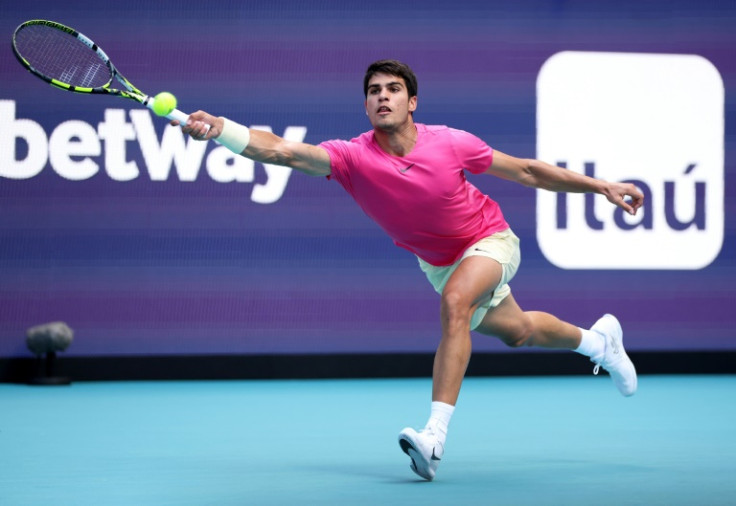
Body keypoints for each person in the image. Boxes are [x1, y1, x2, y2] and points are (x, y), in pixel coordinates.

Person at [178, 59, 643, 481]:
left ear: (411, 101)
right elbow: (280, 150)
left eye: (394, 89)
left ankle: (434, 436)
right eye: (375, 90)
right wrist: (221, 128)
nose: (383, 96)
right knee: (518, 332)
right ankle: (600, 342)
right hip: (440, 263)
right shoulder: (351, 157)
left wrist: (601, 186)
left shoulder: (452, 143)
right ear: (365, 107)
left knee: (457, 302)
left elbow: (526, 172)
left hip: (490, 240)